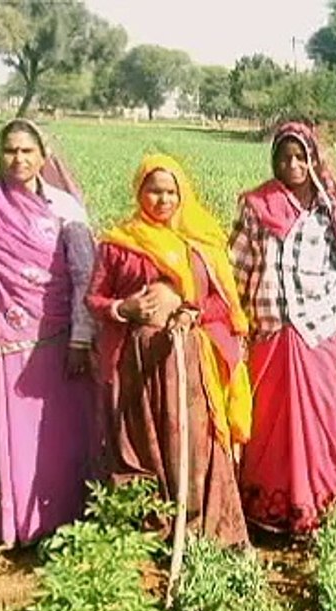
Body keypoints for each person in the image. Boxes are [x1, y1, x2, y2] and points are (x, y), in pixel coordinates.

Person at [0, 119, 96, 546]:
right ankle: (11, 524)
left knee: (54, 435)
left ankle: (59, 520)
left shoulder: (66, 208)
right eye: (10, 150)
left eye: (28, 151)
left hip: (56, 338)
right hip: (0, 337)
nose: (19, 159)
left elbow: (85, 276)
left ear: (43, 157)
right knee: (5, 431)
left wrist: (82, 339)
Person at [87, 154, 253, 546]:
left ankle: (197, 526)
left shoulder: (200, 245)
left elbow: (223, 304)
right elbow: (93, 297)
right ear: (139, 192)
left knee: (193, 442)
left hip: (187, 360)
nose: (162, 200)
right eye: (153, 191)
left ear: (181, 195)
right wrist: (122, 308)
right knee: (140, 441)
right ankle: (149, 526)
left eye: (169, 192)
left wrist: (190, 311)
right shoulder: (118, 244)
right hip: (137, 362)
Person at [231, 121, 336, 533]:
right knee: (270, 423)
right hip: (269, 330)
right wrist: (235, 325)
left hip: (319, 332)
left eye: (301, 156)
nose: (293, 164)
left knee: (324, 420)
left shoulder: (332, 212)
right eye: (285, 157)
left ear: (313, 159)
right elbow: (237, 268)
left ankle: (319, 503)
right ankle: (270, 507)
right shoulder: (256, 206)